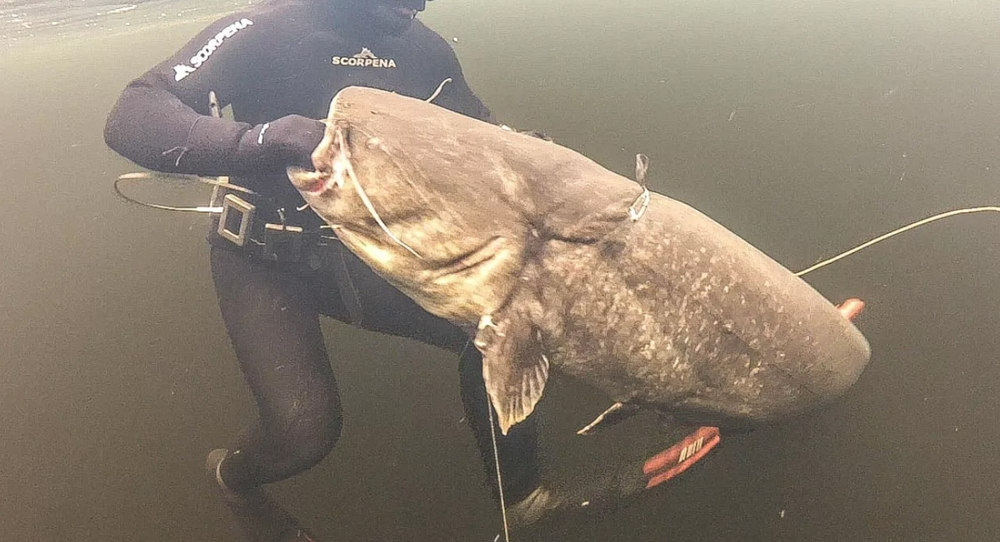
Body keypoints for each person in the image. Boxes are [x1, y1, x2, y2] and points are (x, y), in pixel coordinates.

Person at [104, 1, 717, 539]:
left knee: (504, 333)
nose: (419, 4)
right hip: (265, 258)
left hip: (370, 254)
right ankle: (234, 480)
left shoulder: (424, 49)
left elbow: (480, 135)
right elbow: (134, 112)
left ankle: (523, 502)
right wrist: (264, 139)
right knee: (305, 431)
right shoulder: (265, 28)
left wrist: (526, 152)